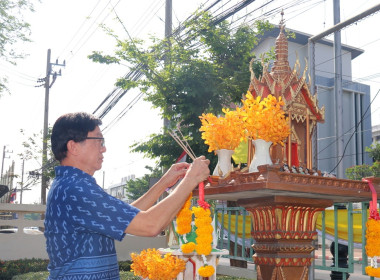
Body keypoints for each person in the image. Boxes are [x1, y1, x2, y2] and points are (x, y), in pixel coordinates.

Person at [44, 112, 210, 280]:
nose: (104, 148)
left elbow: (129, 215)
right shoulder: (76, 189)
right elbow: (150, 225)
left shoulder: (70, 185)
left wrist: (164, 183)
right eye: (98, 141)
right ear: (73, 147)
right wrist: (191, 180)